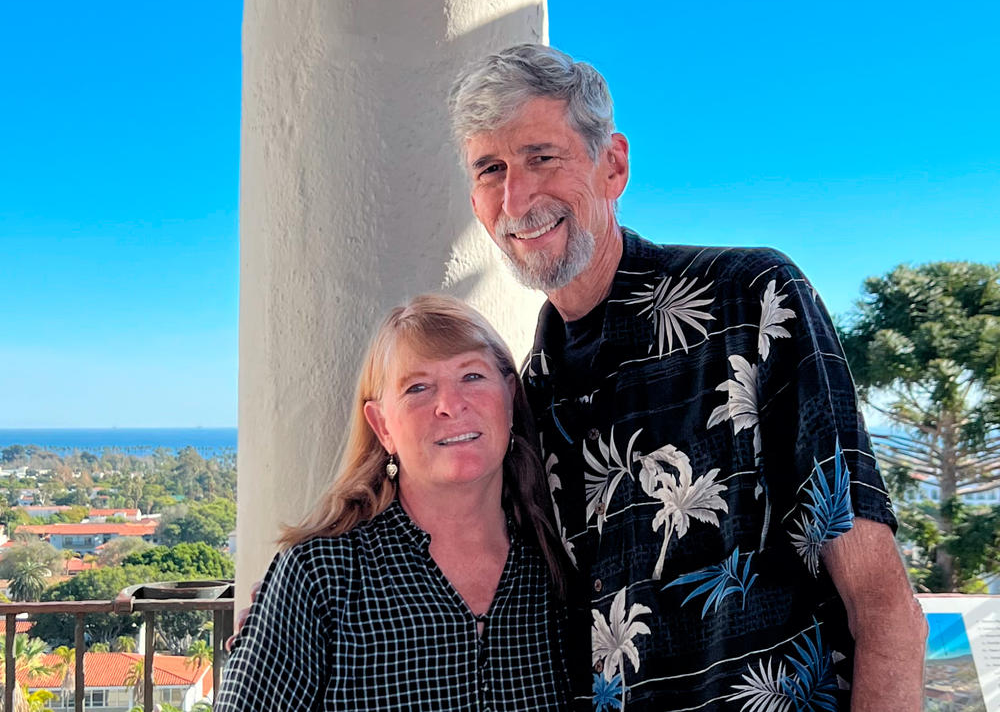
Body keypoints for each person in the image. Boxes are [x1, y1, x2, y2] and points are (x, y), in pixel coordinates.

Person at [448, 44, 928, 711]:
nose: (516, 196)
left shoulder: (751, 303)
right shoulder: (525, 400)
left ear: (612, 165)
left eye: (541, 157)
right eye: (490, 168)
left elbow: (883, 606)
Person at [215, 294, 570, 711]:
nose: (450, 405)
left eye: (472, 376)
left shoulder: (559, 566)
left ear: (510, 397)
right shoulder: (322, 579)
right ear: (382, 426)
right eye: (418, 387)